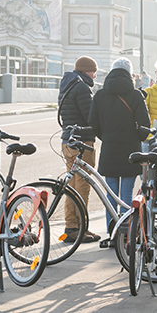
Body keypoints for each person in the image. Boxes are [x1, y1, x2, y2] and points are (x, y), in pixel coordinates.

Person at [89, 56, 150, 242]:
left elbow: (93, 124)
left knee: (111, 194)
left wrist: (106, 137)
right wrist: (136, 137)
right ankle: (126, 234)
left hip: (109, 148)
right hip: (131, 149)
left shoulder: (100, 94)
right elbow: (145, 125)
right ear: (129, 73)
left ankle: (112, 234)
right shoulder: (135, 94)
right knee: (126, 194)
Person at [58, 55, 100, 243]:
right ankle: (81, 229)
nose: (95, 75)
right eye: (93, 71)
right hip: (82, 143)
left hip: (68, 141)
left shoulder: (68, 84)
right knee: (82, 187)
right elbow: (90, 116)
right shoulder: (82, 87)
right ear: (86, 71)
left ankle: (71, 227)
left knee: (72, 187)